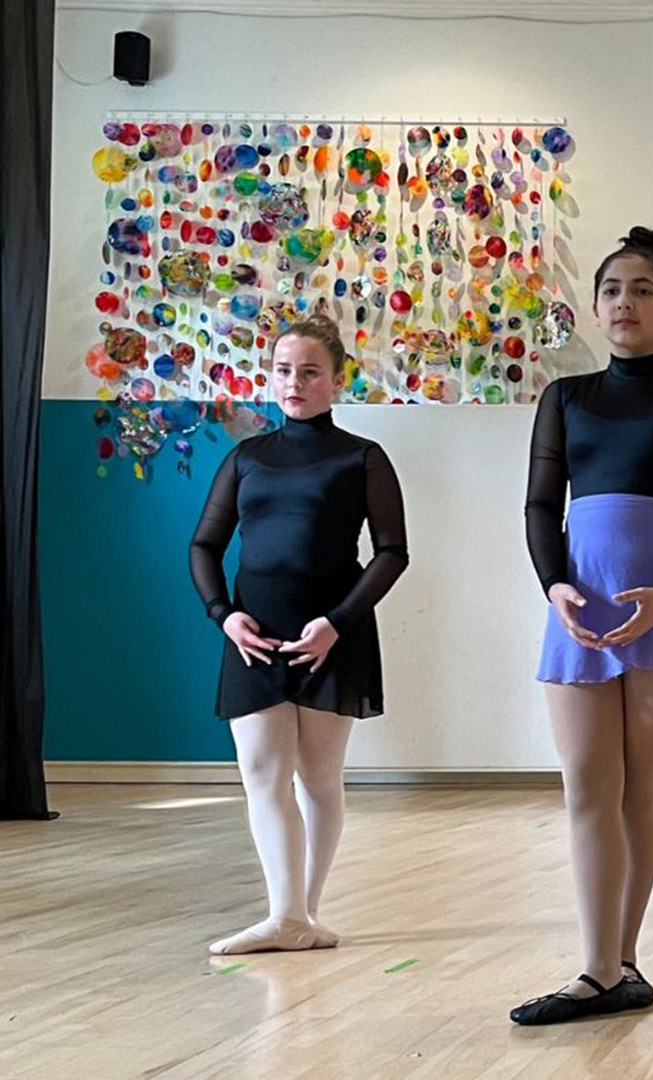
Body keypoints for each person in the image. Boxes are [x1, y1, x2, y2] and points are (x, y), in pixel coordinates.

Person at [512, 227, 653, 1025]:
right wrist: (555, 586)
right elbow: (543, 505)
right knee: (586, 787)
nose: (624, 302)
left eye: (643, 290)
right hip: (582, 599)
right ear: (594, 306)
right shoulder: (565, 399)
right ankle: (598, 963)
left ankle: (618, 964)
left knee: (642, 784)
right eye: (612, 289)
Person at [189, 315, 409, 955]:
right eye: (284, 370)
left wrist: (336, 624)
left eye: (310, 371)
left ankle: (302, 911)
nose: (294, 382)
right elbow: (205, 544)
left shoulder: (362, 457)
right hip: (254, 633)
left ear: (337, 379)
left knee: (317, 776)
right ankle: (285, 914)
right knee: (262, 773)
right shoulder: (247, 457)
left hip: (330, 633)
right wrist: (223, 615)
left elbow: (392, 552)